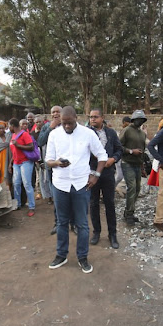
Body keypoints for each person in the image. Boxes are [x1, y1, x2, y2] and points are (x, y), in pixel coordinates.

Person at [46, 106, 107, 274]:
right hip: (60, 185)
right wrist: (57, 163)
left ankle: (82, 257)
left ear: (76, 119)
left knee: (82, 224)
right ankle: (61, 255)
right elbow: (48, 161)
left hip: (81, 185)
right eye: (64, 123)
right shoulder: (54, 134)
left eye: (70, 123)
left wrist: (95, 175)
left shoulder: (88, 134)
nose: (67, 127)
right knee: (62, 222)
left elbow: (102, 156)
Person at [87, 109, 123, 249]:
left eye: (96, 117)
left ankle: (112, 234)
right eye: (91, 117)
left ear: (102, 118)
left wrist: (113, 159)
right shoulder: (87, 134)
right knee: (94, 203)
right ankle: (96, 232)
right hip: (92, 172)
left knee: (109, 203)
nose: (93, 119)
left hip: (108, 173)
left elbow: (119, 149)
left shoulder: (111, 133)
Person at [119, 110, 148, 226]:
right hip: (127, 163)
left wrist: (142, 167)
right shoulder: (126, 131)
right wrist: (131, 151)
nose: (140, 121)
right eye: (138, 119)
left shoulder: (142, 134)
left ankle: (129, 211)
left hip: (137, 164)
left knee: (137, 189)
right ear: (134, 119)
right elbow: (118, 146)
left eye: (142, 119)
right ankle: (129, 214)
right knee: (131, 187)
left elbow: (142, 151)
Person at [38, 106, 63, 225]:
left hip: (65, 166)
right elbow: (40, 142)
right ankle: (57, 221)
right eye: (53, 112)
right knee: (55, 194)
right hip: (51, 165)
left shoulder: (68, 125)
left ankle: (71, 222)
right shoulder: (46, 126)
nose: (56, 114)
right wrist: (51, 128)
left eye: (58, 111)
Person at [7, 118, 36, 216]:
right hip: (16, 163)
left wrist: (18, 145)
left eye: (9, 126)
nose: (8, 128)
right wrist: (10, 163)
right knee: (16, 184)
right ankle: (17, 204)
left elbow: (31, 146)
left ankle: (31, 207)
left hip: (26, 162)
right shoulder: (13, 135)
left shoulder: (24, 134)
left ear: (12, 126)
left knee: (27, 184)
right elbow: (14, 151)